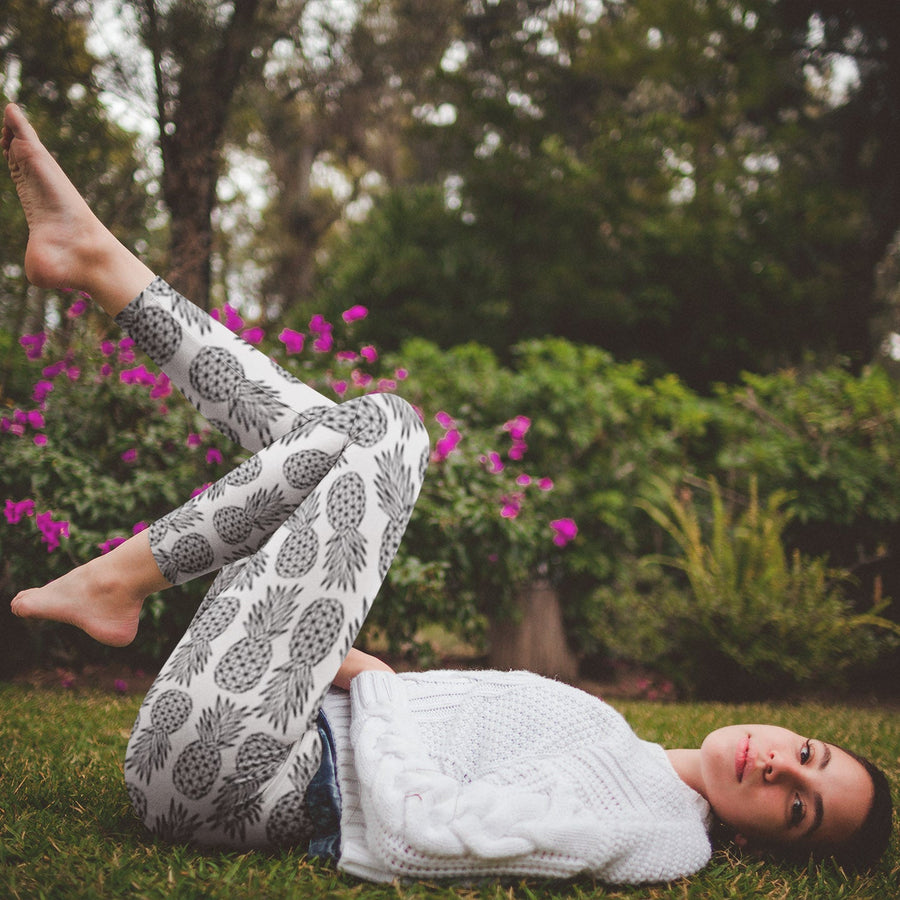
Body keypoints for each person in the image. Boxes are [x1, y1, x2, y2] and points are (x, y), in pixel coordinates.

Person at [3, 102, 893, 884]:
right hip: (250, 735)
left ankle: (119, 575)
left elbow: (431, 836)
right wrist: (354, 679)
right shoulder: (635, 756)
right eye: (808, 754)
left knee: (389, 428)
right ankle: (94, 262)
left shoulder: (658, 831)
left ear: (769, 845)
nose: (782, 769)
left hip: (236, 775)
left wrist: (378, 686)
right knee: (336, 433)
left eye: (800, 807)